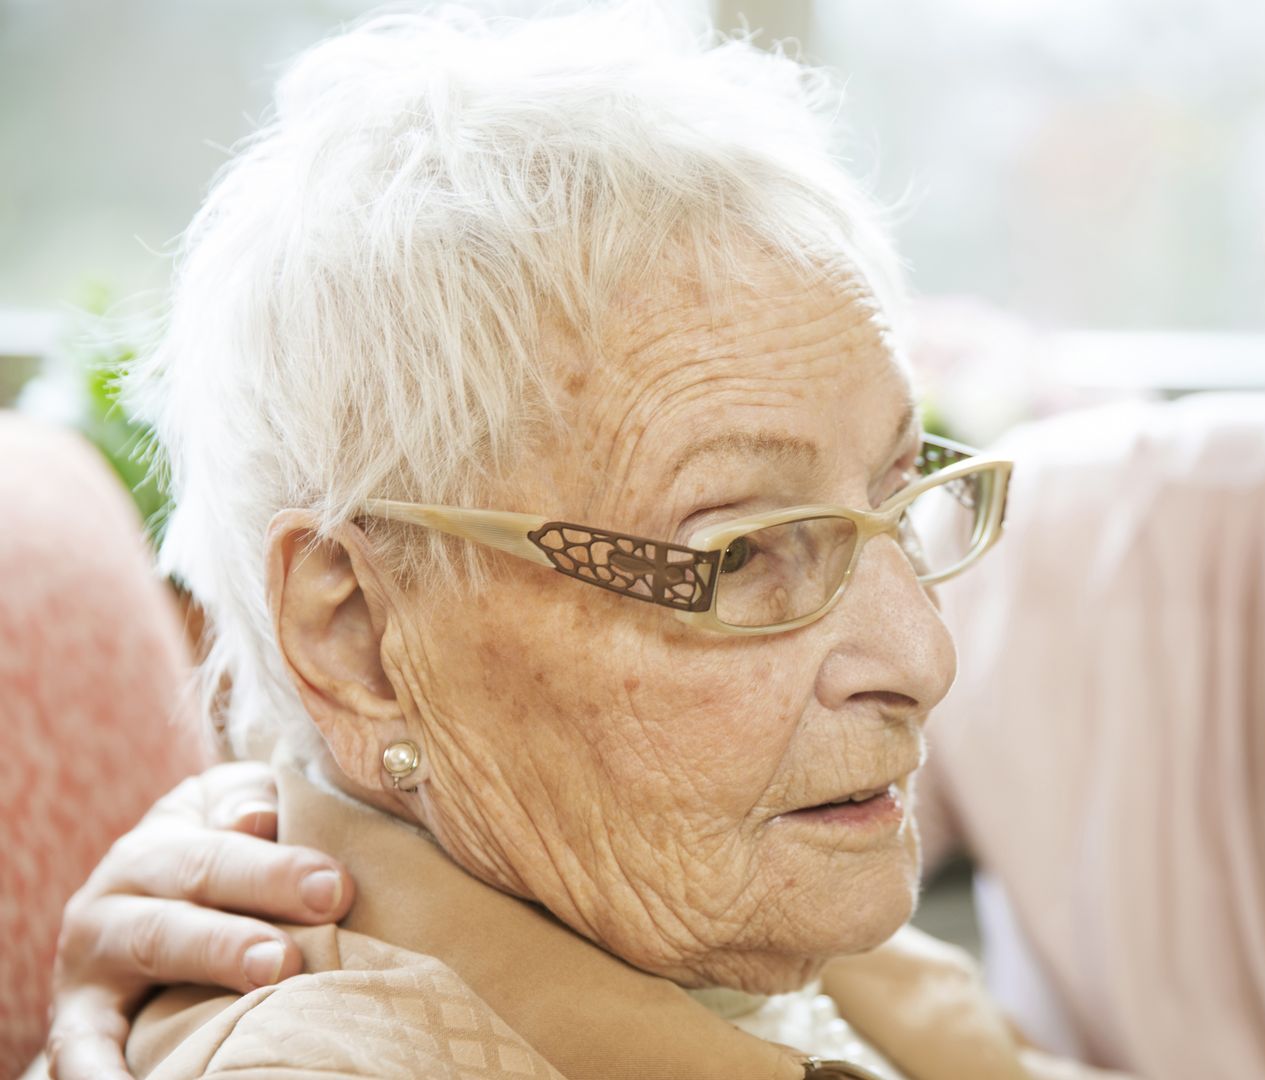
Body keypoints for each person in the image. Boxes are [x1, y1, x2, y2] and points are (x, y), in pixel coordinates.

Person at [44, 0, 1265, 1077]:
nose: (930, 654)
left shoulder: (813, 939)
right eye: (753, 542)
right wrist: (242, 849)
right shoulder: (1103, 557)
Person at [21, 7, 1101, 1079]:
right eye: (740, 554)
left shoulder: (777, 955)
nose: (924, 660)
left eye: (899, 501)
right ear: (354, 636)